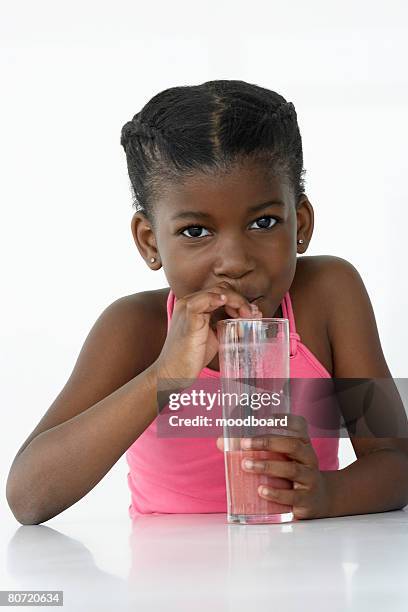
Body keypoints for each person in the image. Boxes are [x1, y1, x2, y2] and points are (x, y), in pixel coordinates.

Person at [6, 80, 408, 525]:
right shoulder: (134, 328)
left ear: (302, 223)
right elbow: (29, 497)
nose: (234, 262)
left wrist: (328, 494)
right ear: (149, 241)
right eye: (196, 232)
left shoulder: (329, 295)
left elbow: (397, 461)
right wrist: (166, 374)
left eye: (264, 222)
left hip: (303, 579)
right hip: (165, 591)